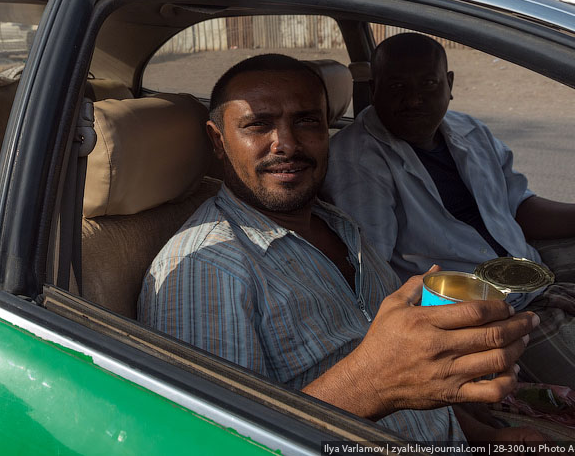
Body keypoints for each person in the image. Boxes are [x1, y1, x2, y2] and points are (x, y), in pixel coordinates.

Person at [138, 54, 540, 442]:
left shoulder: (339, 225)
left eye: (307, 121)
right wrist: (372, 383)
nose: (286, 144)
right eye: (258, 125)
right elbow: (215, 442)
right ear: (219, 140)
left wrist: (489, 437)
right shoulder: (208, 268)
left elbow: (415, 379)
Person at [323, 32, 575, 411]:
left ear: (449, 84)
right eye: (397, 86)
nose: (413, 99)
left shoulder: (469, 131)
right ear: (375, 90)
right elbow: (372, 269)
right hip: (481, 313)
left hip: (529, 269)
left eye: (428, 83)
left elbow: (519, 209)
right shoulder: (357, 160)